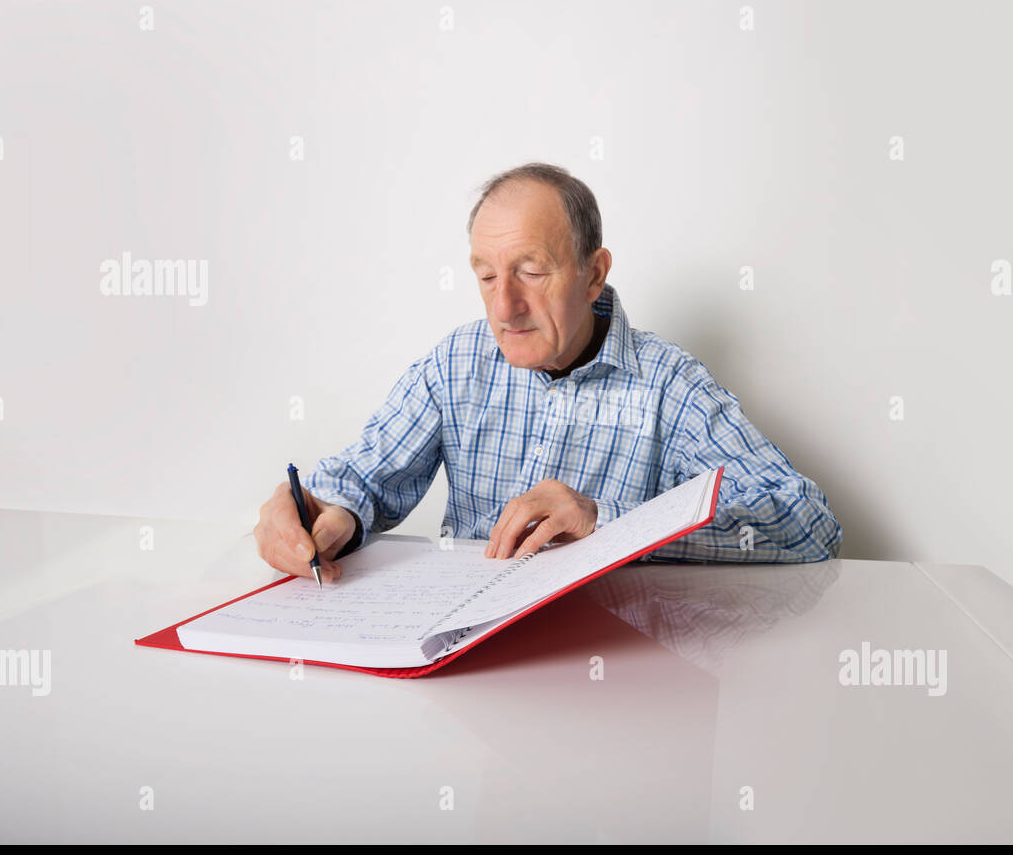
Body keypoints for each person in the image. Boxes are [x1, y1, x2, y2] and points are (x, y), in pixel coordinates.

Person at [254, 163, 842, 581]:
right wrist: (318, 513)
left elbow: (807, 521)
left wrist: (606, 524)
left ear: (593, 275)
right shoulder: (456, 364)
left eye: (531, 272)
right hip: (463, 672)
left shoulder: (670, 386)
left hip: (612, 683)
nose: (504, 308)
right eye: (487, 276)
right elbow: (363, 481)